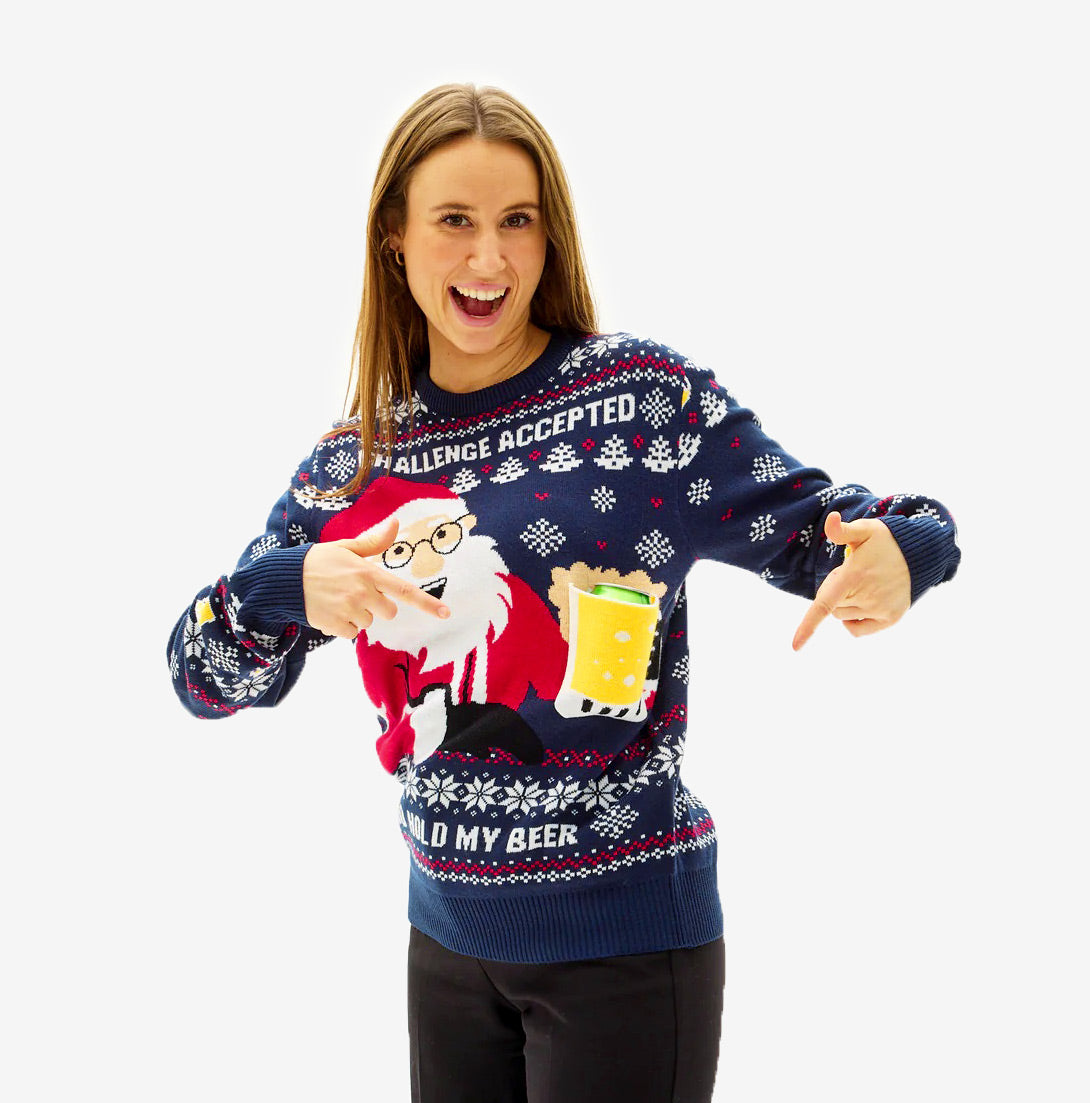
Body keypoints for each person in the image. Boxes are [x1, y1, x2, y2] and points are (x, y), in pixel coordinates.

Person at [167, 82, 961, 1103]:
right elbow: (202, 675)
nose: (488, 259)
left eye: (516, 221)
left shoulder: (641, 403)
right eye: (454, 220)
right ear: (395, 239)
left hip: (624, 949)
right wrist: (288, 584)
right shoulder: (355, 460)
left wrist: (904, 550)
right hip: (444, 949)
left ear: (550, 238)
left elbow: (833, 529)